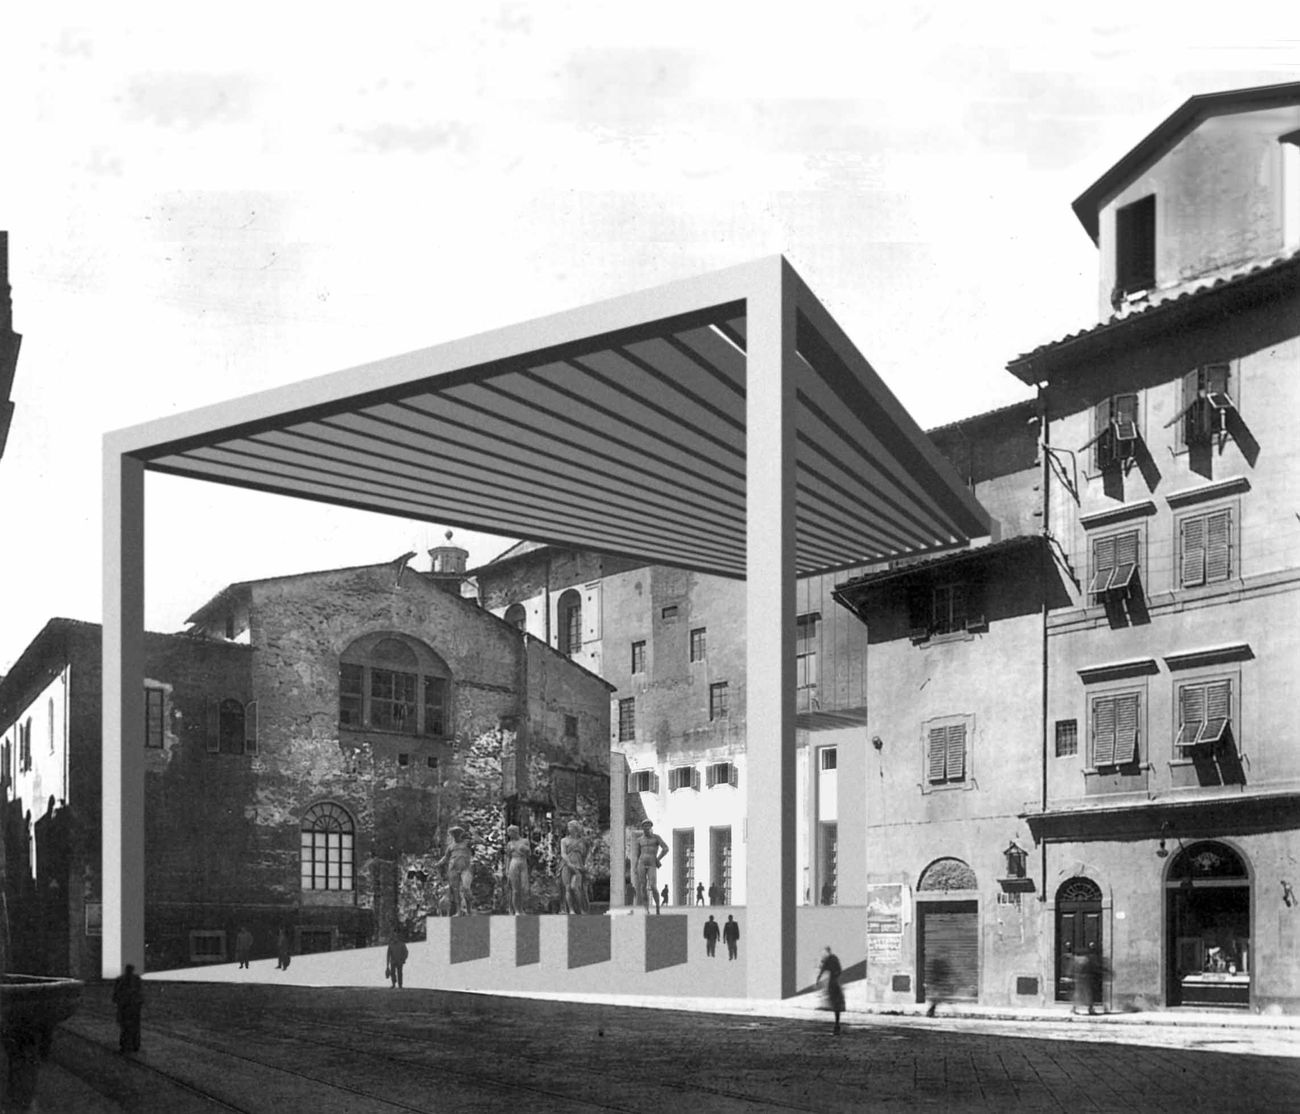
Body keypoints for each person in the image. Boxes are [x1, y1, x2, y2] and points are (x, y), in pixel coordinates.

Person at [436, 825, 475, 916]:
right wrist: (438, 863)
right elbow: (446, 857)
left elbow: (477, 841)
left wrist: (474, 834)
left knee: (466, 888)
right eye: (454, 834)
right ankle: (458, 911)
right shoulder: (451, 846)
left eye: (457, 834)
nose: (455, 836)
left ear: (461, 834)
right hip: (453, 869)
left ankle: (469, 910)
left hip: (465, 869)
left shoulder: (467, 843)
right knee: (455, 891)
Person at [632, 819, 668, 914]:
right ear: (642, 827)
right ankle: (646, 908)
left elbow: (665, 848)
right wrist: (635, 867)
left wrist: (658, 859)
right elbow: (637, 854)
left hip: (652, 863)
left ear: (651, 827)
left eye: (649, 825)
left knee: (653, 886)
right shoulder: (639, 840)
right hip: (642, 863)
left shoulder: (656, 838)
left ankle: (657, 907)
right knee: (643, 886)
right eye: (645, 826)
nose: (647, 828)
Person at [559, 820, 591, 915]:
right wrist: (569, 863)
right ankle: (571, 909)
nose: (569, 829)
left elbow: (588, 853)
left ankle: (581, 908)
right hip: (566, 866)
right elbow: (563, 853)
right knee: (568, 887)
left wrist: (587, 864)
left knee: (576, 887)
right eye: (568, 827)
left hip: (579, 866)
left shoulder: (583, 841)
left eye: (571, 827)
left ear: (576, 828)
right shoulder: (564, 840)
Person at [112, 964, 144, 1054]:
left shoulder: (121, 979)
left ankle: (128, 1045)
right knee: (131, 1027)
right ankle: (132, 1044)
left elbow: (116, 994)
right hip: (130, 1006)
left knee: (126, 1027)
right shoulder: (135, 979)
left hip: (128, 1006)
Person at [504, 824, 531, 915]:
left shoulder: (525, 841)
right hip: (513, 863)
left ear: (515, 832)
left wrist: (526, 850)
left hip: (523, 862)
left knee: (523, 887)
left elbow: (529, 854)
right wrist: (507, 869)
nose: (509, 835)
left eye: (510, 832)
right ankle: (516, 910)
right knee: (515, 889)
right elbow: (507, 857)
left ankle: (521, 908)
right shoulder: (510, 844)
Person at [818, 946, 845, 1034]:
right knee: (836, 1004)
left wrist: (818, 979)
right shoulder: (833, 959)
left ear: (827, 952)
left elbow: (823, 970)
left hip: (833, 984)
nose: (823, 954)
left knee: (835, 1004)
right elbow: (839, 970)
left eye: (824, 953)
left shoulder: (830, 960)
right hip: (835, 983)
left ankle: (837, 1024)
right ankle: (837, 1024)